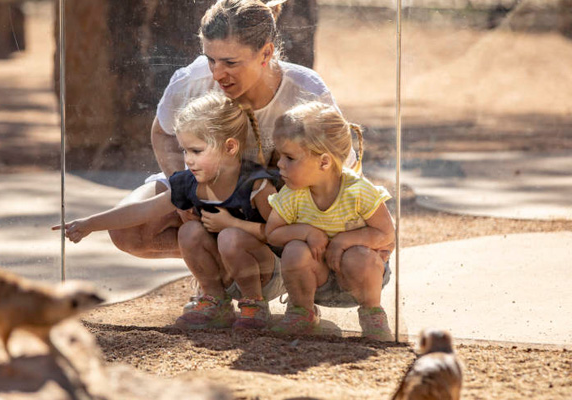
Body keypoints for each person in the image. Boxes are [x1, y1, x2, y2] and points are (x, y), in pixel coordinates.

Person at [107, 0, 355, 260]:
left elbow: (341, 166)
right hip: (209, 187)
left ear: (266, 53)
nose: (216, 74)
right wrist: (184, 190)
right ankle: (220, 269)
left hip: (279, 201)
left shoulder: (306, 90)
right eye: (210, 59)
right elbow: (163, 132)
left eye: (230, 62)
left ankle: (276, 268)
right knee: (128, 231)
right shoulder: (193, 79)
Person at [54, 91, 284, 330]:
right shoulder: (189, 183)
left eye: (196, 151)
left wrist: (233, 225)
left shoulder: (257, 185)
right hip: (225, 270)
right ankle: (216, 301)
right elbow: (142, 211)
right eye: (184, 151)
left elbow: (279, 235)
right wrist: (90, 224)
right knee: (190, 231)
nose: (188, 160)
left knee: (229, 237)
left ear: (230, 147)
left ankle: (254, 305)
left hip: (265, 274)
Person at [264, 101, 395, 341]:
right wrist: (305, 232)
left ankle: (372, 314)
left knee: (359, 255)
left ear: (324, 162)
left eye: (289, 157)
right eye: (279, 156)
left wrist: (343, 241)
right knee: (294, 250)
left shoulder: (358, 190)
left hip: (358, 278)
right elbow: (272, 233)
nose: (280, 164)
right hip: (316, 279)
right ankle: (301, 312)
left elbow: (387, 235)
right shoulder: (293, 193)